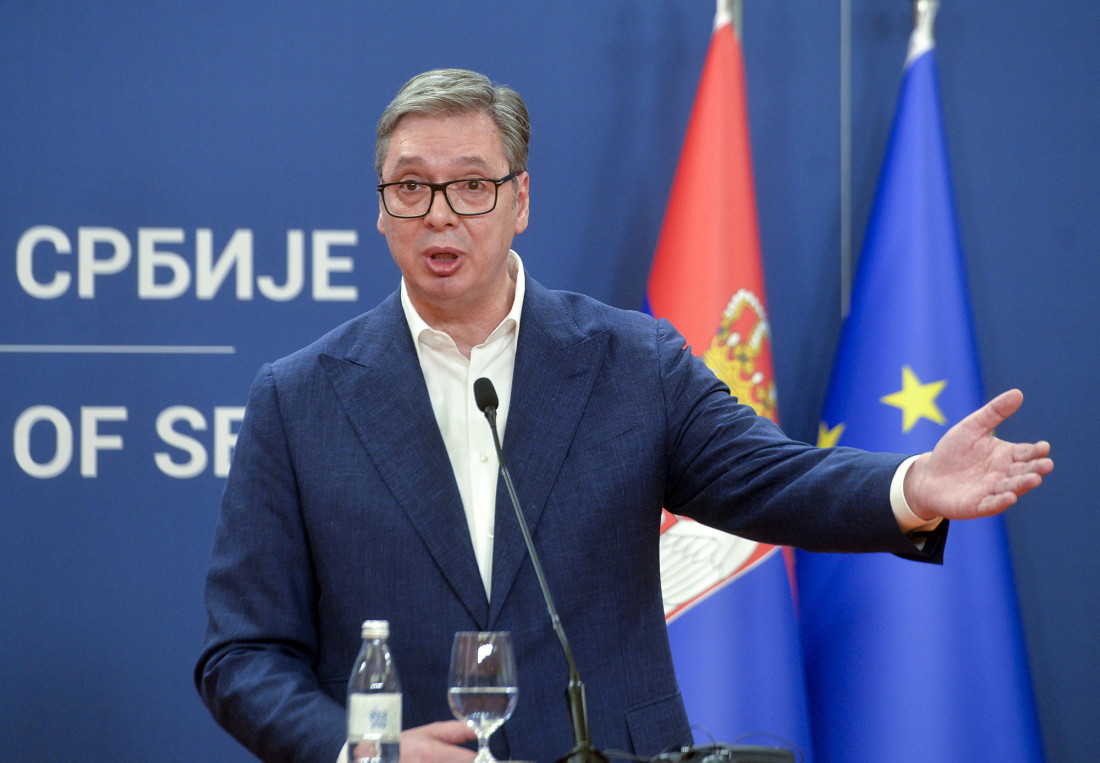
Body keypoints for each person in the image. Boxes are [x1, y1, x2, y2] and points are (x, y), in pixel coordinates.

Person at [195, 68, 1052, 763]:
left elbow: (773, 478)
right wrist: (359, 750)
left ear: (521, 201)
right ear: (382, 209)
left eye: (472, 185)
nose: (440, 213)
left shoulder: (633, 361)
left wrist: (913, 484)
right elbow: (242, 654)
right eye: (412, 187)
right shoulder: (299, 398)